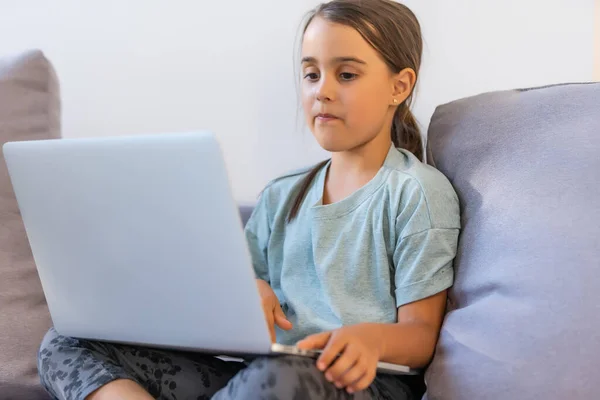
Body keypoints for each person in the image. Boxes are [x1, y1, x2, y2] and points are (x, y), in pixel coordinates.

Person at [37, 0, 460, 399]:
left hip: (359, 384)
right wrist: (253, 288)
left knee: (281, 377)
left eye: (346, 75)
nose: (322, 91)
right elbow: (238, 296)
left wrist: (371, 339)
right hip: (260, 374)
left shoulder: (415, 192)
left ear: (399, 86)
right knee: (67, 341)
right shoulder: (282, 195)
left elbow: (421, 334)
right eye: (311, 74)